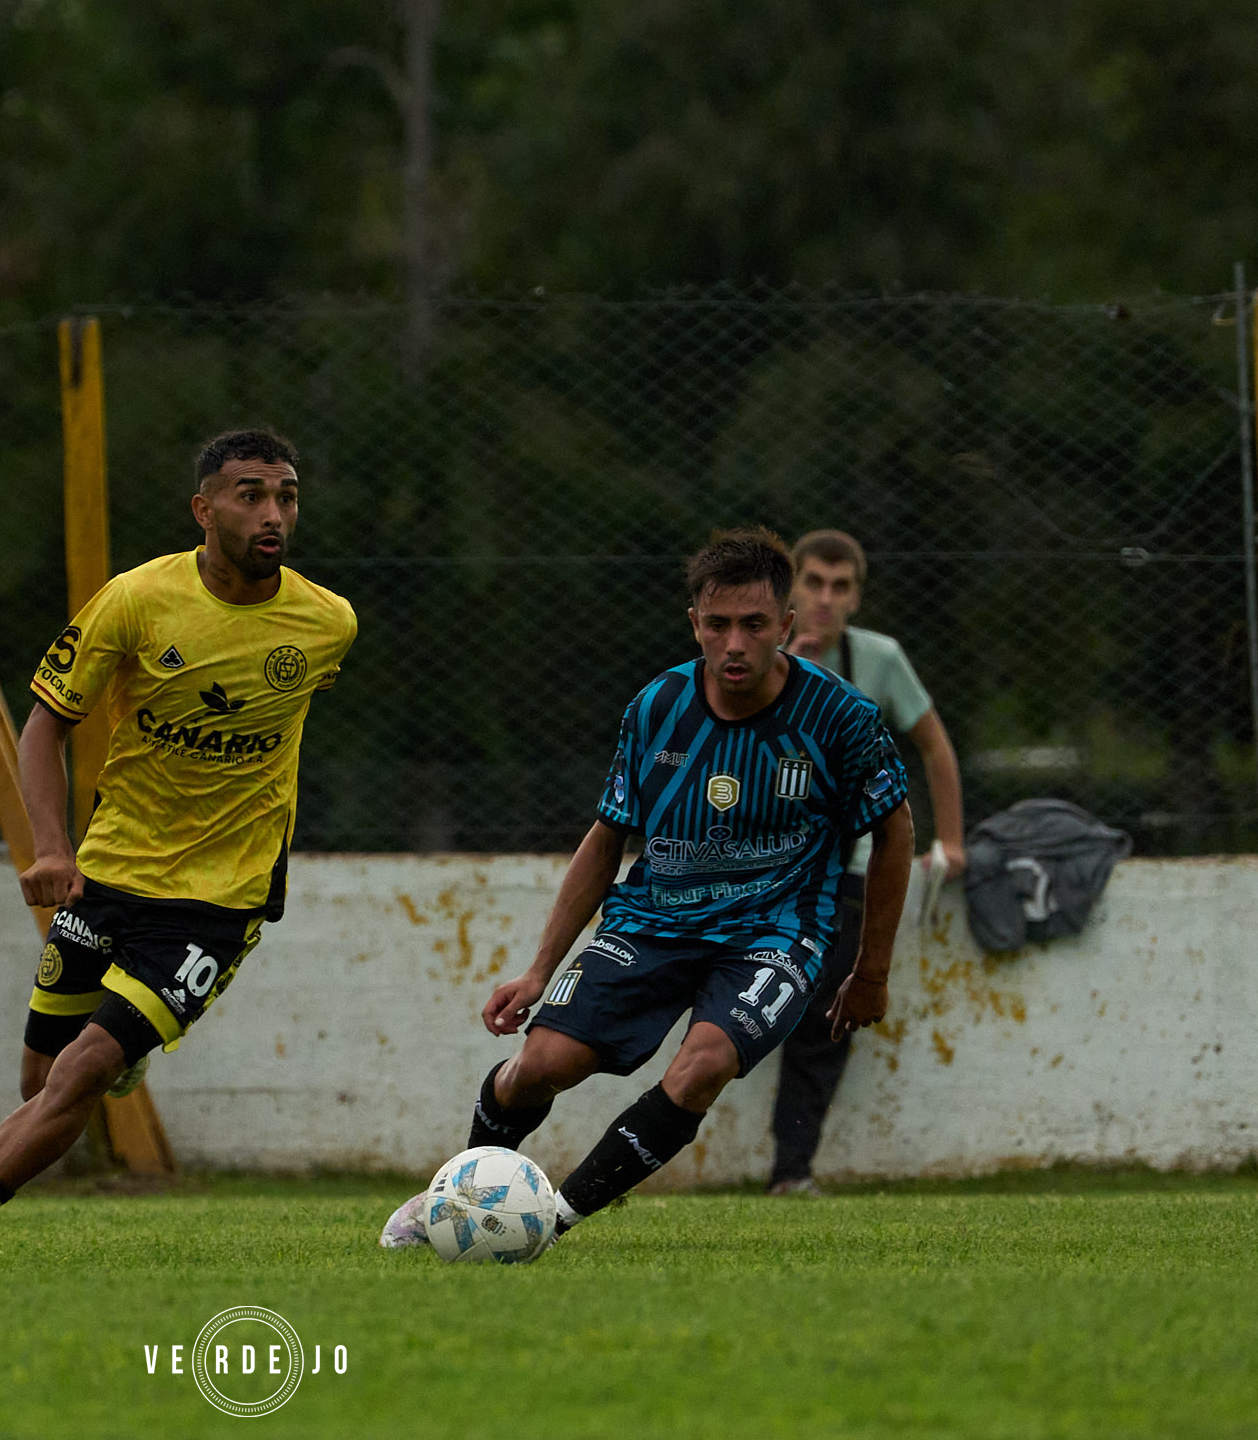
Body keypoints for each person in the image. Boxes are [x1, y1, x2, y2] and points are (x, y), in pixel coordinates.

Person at [0, 427, 358, 1267]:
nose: (273, 514)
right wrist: (53, 849)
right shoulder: (134, 601)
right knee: (40, 1080)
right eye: (250, 495)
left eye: (286, 496)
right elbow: (45, 725)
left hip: (221, 899)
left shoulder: (327, 623)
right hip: (110, 872)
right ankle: (122, 1057)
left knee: (81, 1072)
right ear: (203, 510)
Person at [380, 528, 912, 1249]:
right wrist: (538, 970)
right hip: (653, 922)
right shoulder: (656, 707)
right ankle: (458, 1194)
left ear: (786, 626)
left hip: (777, 931)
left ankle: (549, 1223)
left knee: (703, 1065)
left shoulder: (840, 716)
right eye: (717, 624)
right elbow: (608, 836)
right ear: (694, 623)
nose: (734, 644)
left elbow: (896, 830)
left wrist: (871, 971)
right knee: (540, 1065)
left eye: (754, 625)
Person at [766, 528, 965, 1196]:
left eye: (840, 586)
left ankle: (791, 1172)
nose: (826, 598)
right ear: (791, 588)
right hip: (759, 863)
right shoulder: (755, 655)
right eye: (814, 583)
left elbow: (934, 746)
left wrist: (951, 841)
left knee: (827, 1013)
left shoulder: (879, 659)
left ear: (856, 596)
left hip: (849, 864)